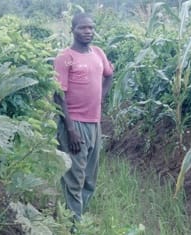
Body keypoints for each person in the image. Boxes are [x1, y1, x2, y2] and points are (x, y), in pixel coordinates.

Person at [53, 12, 114, 223]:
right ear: (73, 30)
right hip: (74, 123)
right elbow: (58, 95)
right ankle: (73, 225)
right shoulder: (65, 57)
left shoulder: (98, 52)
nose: (88, 31)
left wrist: (100, 100)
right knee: (74, 177)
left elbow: (109, 75)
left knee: (89, 177)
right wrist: (70, 130)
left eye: (91, 28)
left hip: (94, 123)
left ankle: (76, 216)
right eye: (83, 28)